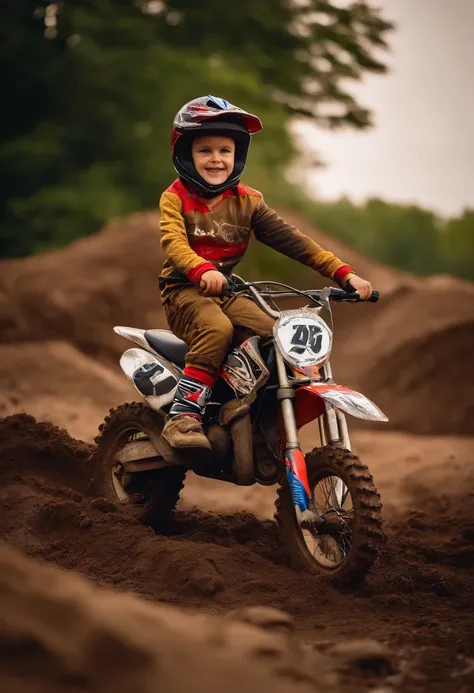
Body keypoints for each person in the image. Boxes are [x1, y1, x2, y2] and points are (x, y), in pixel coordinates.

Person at [158, 95, 372, 450]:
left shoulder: (249, 201)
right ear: (185, 155)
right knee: (218, 329)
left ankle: (252, 413)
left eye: (225, 151)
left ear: (237, 156)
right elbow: (174, 242)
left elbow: (296, 242)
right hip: (184, 290)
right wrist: (200, 268)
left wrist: (344, 274)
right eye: (205, 150)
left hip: (227, 291)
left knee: (279, 337)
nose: (216, 159)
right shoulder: (175, 197)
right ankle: (184, 416)